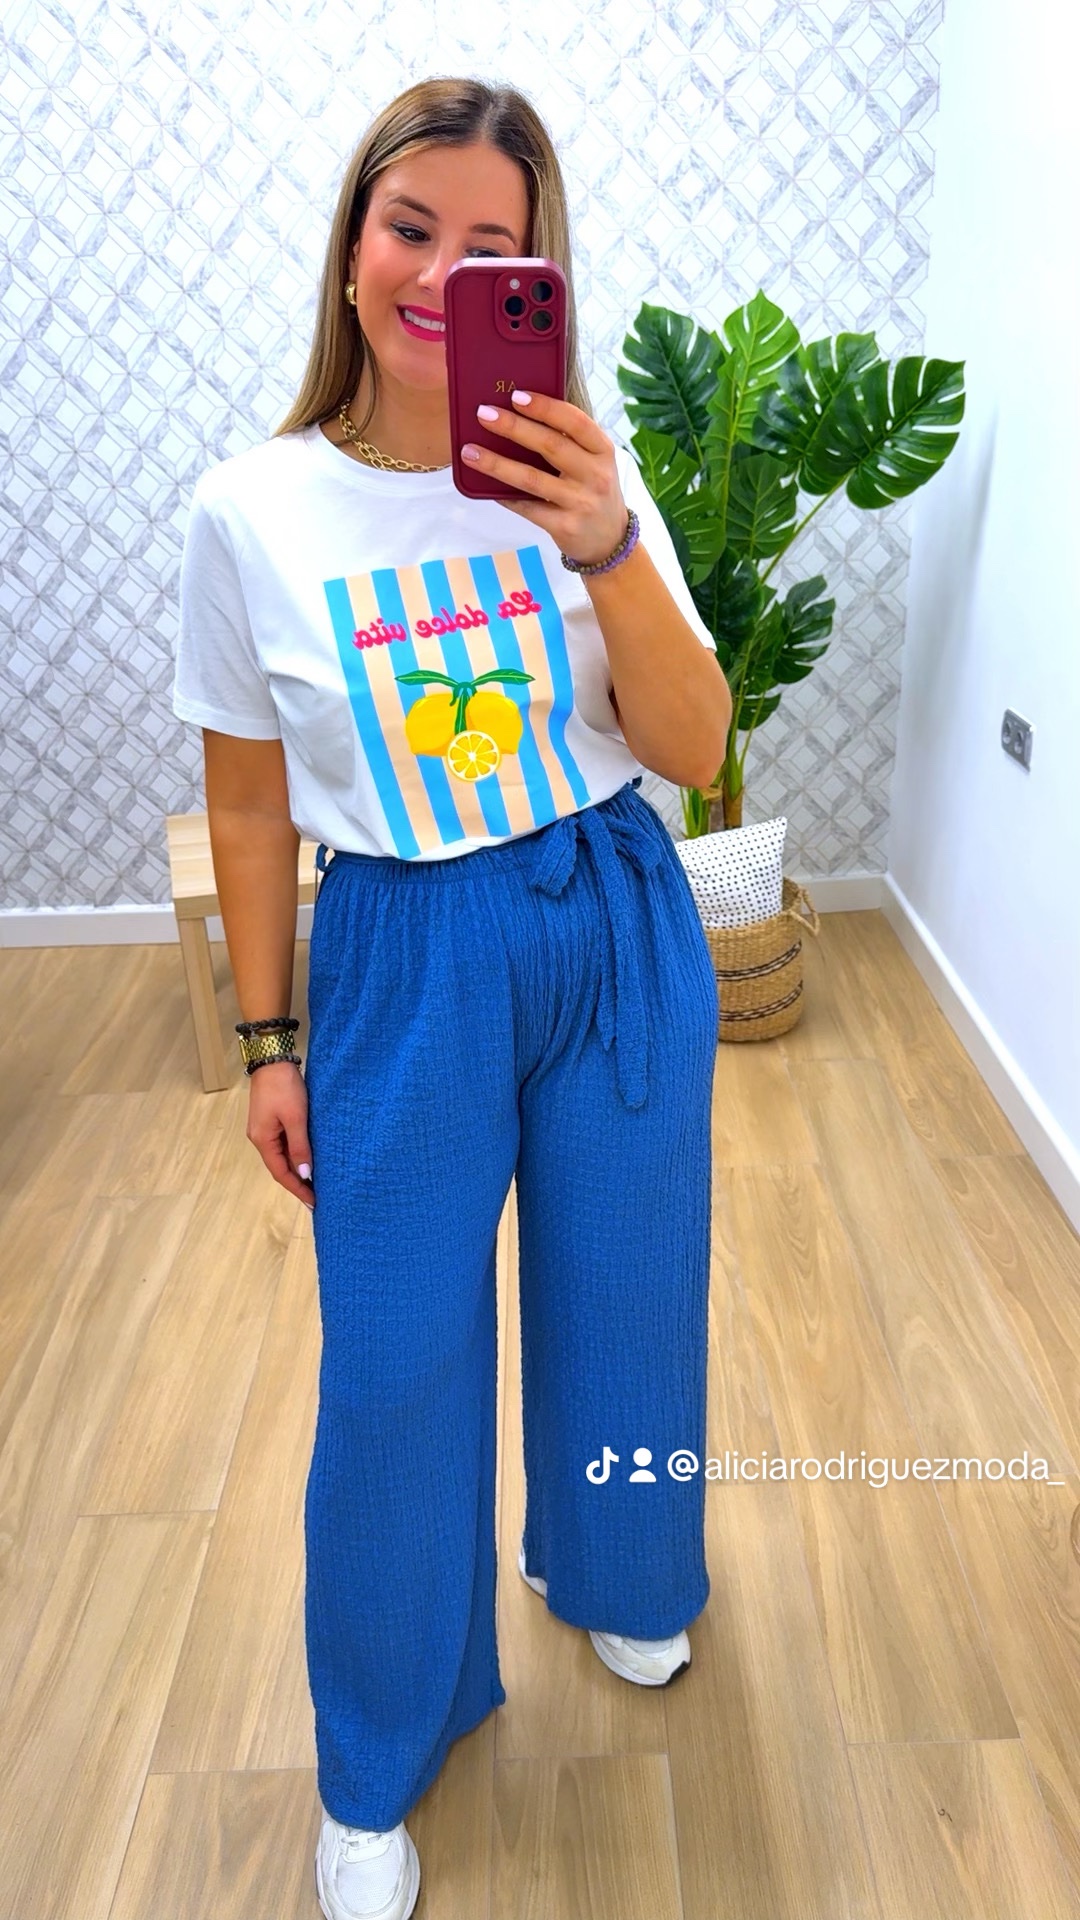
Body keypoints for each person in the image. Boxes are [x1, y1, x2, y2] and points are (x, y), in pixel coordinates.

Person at [172, 75, 732, 1920]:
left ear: (538, 278)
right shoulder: (253, 512)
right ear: (353, 244)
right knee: (396, 1366)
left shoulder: (579, 474)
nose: (440, 275)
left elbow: (693, 747)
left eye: (495, 248)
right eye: (412, 227)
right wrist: (268, 1040)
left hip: (610, 905)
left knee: (630, 1291)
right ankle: (378, 1750)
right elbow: (247, 805)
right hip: (404, 950)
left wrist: (608, 546)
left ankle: (624, 1569)